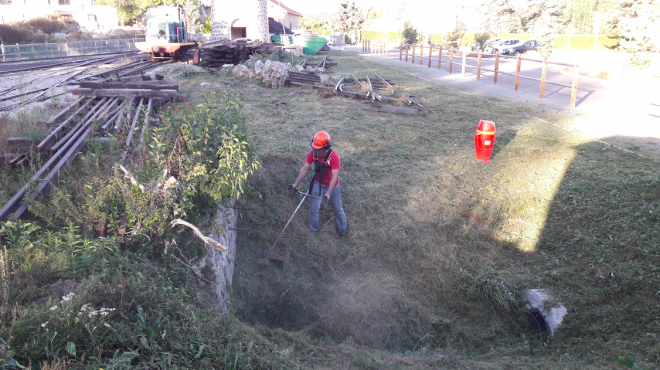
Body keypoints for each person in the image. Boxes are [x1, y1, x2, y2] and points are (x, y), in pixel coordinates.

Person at [290, 131, 349, 237]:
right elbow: (305, 168)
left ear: (326, 147)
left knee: (338, 209)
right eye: (314, 149)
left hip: (332, 186)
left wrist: (329, 193)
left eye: (319, 150)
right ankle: (314, 231)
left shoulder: (334, 156)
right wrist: (296, 184)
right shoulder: (312, 154)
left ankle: (343, 230)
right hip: (317, 183)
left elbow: (334, 177)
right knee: (313, 209)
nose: (315, 152)